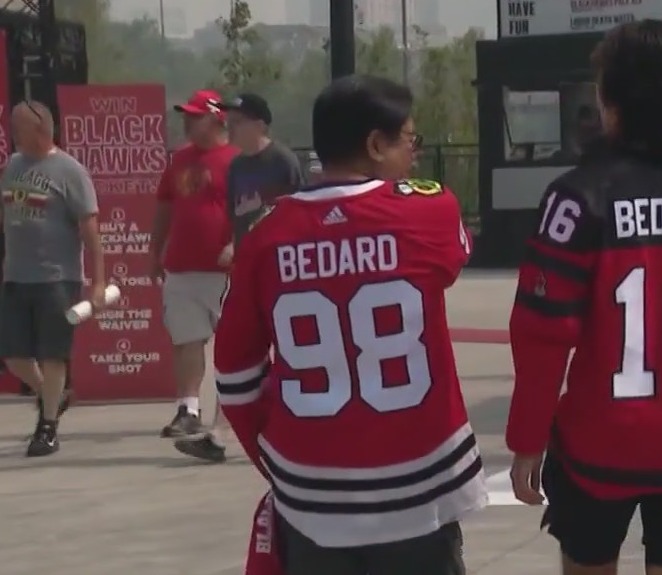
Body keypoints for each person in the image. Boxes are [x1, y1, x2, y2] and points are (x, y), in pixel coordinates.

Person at [504, 20, 662, 575]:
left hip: (601, 444)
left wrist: (527, 439)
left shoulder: (577, 198)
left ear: (613, 101)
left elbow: (542, 334)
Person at [215, 74, 484, 575]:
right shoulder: (429, 209)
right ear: (375, 145)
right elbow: (450, 259)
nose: (415, 153)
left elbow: (234, 377)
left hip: (312, 495)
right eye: (410, 139)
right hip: (421, 485)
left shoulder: (265, 236)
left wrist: (280, 462)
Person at [174, 92, 304, 462]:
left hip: (283, 267)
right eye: (228, 120)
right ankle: (218, 435)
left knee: (288, 351)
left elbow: (300, 211)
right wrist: (234, 244)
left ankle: (281, 429)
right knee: (238, 351)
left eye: (239, 120)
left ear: (260, 124)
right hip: (247, 269)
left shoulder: (281, 161)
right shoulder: (236, 168)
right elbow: (238, 218)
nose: (230, 126)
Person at [0, 101, 107, 456]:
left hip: (57, 279)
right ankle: (52, 393)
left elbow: (90, 228)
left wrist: (97, 281)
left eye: (19, 129)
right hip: (16, 276)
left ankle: (47, 428)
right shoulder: (12, 166)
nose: (12, 135)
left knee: (53, 353)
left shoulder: (69, 171)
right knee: (13, 354)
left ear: (42, 130)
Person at [151, 89, 238, 439]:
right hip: (182, 267)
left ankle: (229, 417)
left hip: (225, 271)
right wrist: (154, 250)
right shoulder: (180, 159)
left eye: (195, 116)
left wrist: (236, 243)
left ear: (217, 118)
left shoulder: (236, 160)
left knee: (233, 346)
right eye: (185, 116)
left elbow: (251, 209)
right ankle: (188, 410)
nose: (187, 123)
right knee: (187, 340)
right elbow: (164, 206)